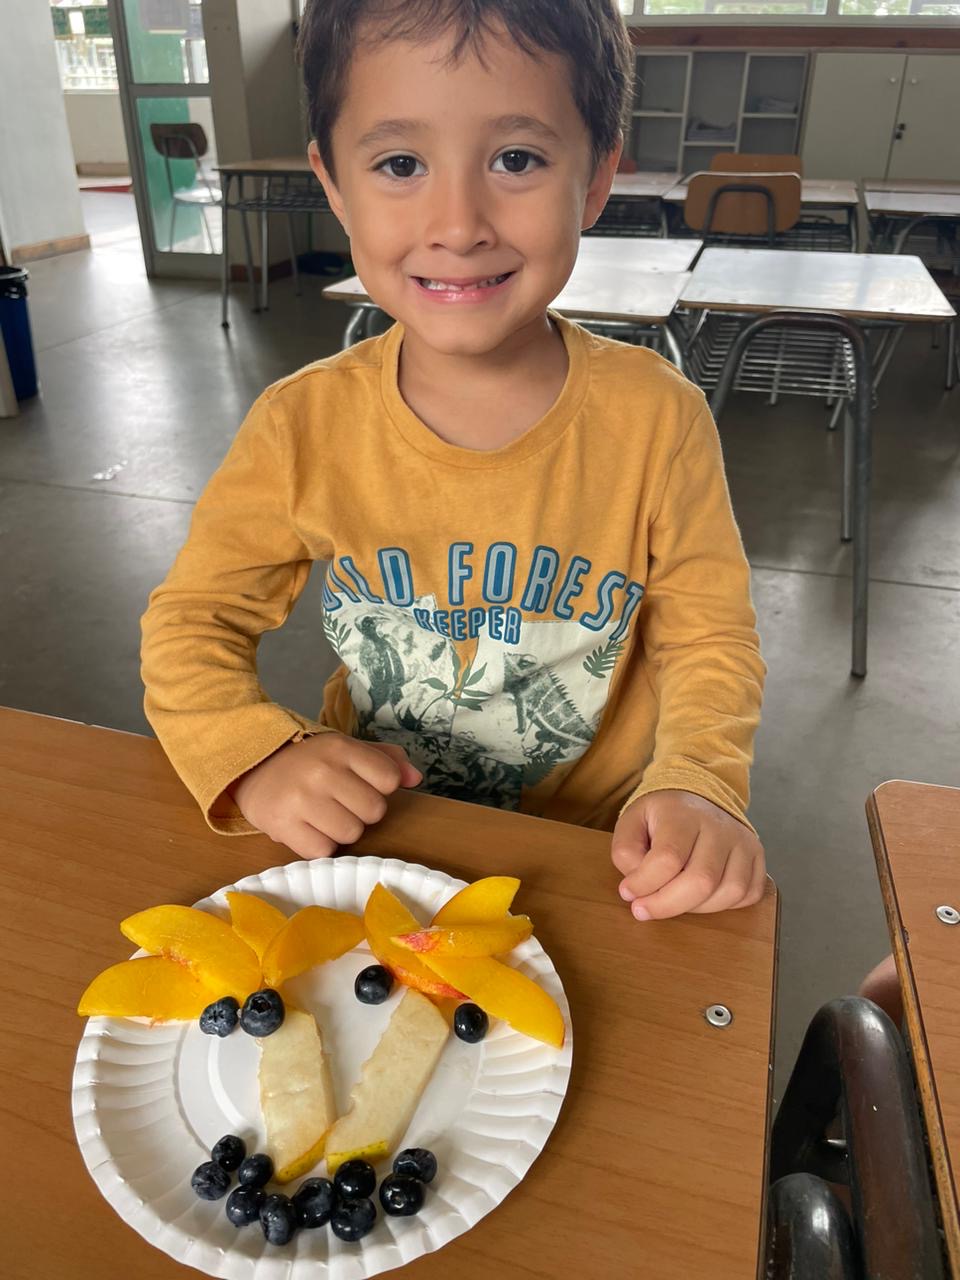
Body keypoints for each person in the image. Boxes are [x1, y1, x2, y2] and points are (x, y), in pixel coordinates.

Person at [141, 0, 767, 923]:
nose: (459, 224)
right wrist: (255, 753)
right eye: (400, 164)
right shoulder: (301, 425)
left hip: (599, 859)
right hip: (382, 844)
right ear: (335, 184)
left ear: (596, 177)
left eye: (516, 159)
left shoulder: (657, 418)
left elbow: (708, 638)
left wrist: (698, 781)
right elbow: (193, 620)